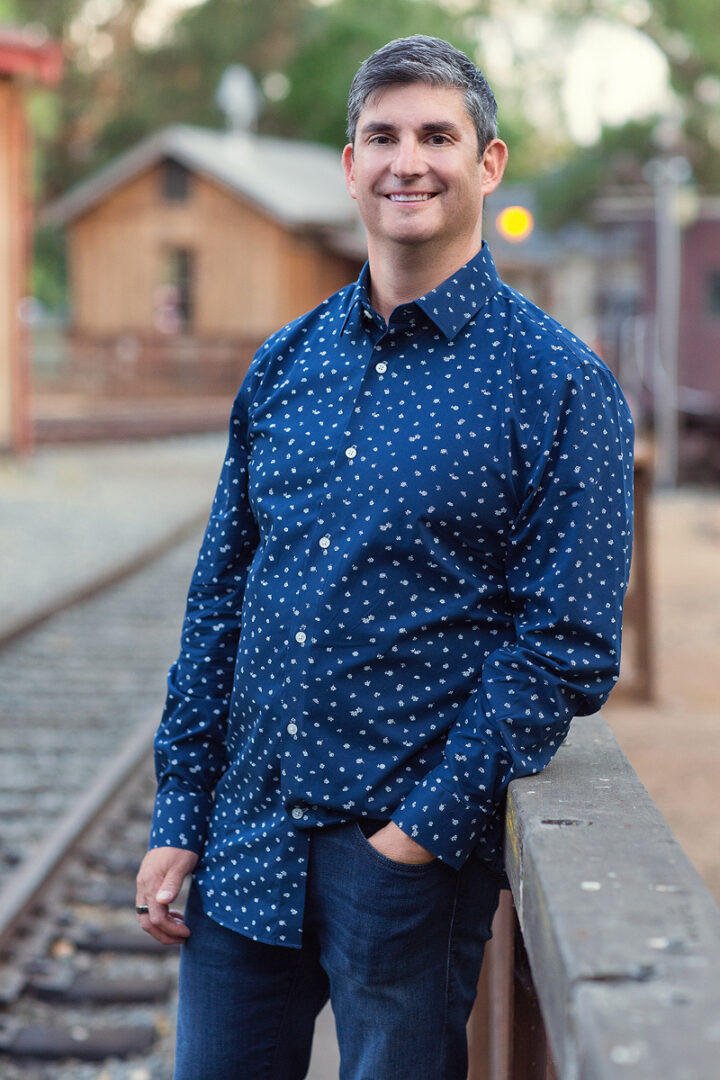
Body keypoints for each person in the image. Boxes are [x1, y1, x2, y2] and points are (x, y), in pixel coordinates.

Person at [136, 34, 634, 1080]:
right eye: (383, 136)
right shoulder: (285, 363)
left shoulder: (559, 385)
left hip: (401, 860)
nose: (409, 159)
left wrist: (419, 835)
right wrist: (182, 812)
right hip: (245, 842)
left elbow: (567, 645)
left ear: (487, 165)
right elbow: (221, 599)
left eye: (437, 136)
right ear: (350, 163)